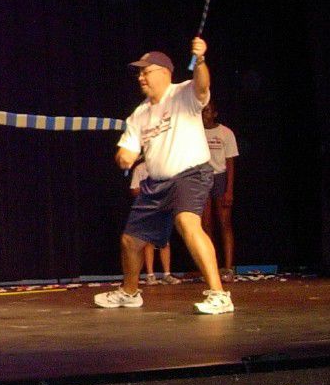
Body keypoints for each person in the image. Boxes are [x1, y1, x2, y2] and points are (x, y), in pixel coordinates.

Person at [97, 38, 234, 314]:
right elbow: (126, 151)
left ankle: (220, 295)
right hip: (156, 183)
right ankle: (130, 292)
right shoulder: (139, 116)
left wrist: (202, 59)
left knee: (187, 222)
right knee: (130, 240)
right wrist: (124, 157)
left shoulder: (183, 93)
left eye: (145, 71)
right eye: (139, 72)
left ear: (164, 73)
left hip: (191, 173)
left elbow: (203, 85)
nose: (140, 77)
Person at [201, 100, 238, 281]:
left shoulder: (225, 133)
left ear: (214, 113)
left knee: (224, 224)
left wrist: (229, 190)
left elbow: (230, 163)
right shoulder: (196, 133)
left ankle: (229, 268)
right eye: (201, 111)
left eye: (207, 111)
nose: (203, 114)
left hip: (220, 177)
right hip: (202, 178)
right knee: (206, 226)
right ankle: (212, 268)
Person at [129, 162, 179, 285]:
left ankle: (167, 274)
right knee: (148, 242)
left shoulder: (165, 166)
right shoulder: (140, 168)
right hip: (147, 208)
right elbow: (134, 189)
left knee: (165, 242)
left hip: (163, 208)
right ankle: (150, 275)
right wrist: (148, 191)